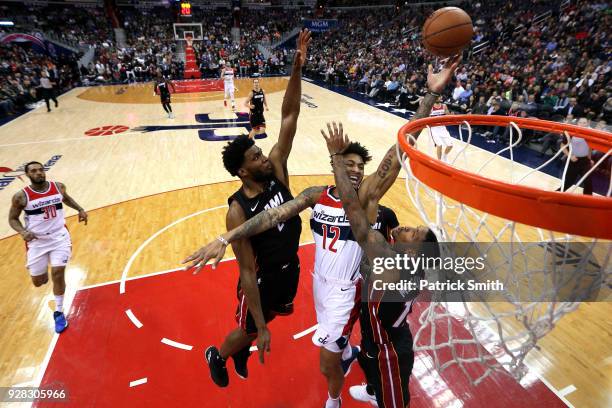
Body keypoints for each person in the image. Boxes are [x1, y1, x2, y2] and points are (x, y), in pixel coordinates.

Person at [184, 56, 461, 407]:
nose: (356, 171)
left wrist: (430, 96)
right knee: (321, 349)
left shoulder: (366, 201)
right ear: (337, 166)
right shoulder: (316, 195)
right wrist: (226, 237)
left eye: (361, 167)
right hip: (318, 284)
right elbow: (273, 217)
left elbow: (398, 153)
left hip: (345, 292)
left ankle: (334, 400)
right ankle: (346, 361)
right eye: (349, 165)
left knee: (326, 360)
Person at [183, 29, 311, 389]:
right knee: (249, 328)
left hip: (290, 268)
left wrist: (296, 70)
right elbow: (246, 274)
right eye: (256, 156)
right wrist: (262, 326)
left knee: (260, 323)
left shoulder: (277, 169)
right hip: (263, 280)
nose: (263, 156)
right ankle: (219, 354)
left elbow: (289, 116)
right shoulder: (238, 211)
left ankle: (246, 341)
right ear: (243, 170)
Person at [322, 121, 439, 408]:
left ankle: (382, 394)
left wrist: (337, 160)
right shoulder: (407, 263)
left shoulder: (390, 264)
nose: (406, 227)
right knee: (366, 357)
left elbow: (352, 209)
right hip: (379, 335)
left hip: (390, 350)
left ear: (411, 252)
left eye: (413, 233)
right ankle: (374, 389)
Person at [8, 161, 88, 333]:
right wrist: (22, 231)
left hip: (59, 237)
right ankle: (41, 274)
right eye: (34, 171)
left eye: (41, 170)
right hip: (36, 241)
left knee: (58, 273)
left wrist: (80, 209)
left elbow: (66, 199)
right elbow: (13, 219)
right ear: (28, 175)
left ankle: (59, 312)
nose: (39, 173)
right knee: (39, 282)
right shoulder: (21, 196)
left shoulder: (58, 187)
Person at [557, 117, 593, 195]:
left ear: (588, 123)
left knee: (588, 182)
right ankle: (555, 195)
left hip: (585, 161)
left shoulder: (591, 132)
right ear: (577, 123)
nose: (583, 124)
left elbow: (590, 147)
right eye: (581, 122)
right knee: (568, 182)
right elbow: (562, 145)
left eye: (584, 123)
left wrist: (590, 159)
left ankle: (587, 201)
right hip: (573, 160)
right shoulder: (571, 132)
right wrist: (570, 156)